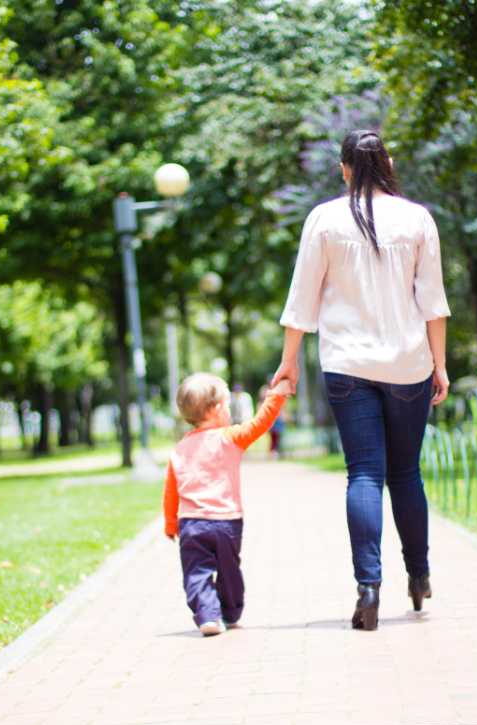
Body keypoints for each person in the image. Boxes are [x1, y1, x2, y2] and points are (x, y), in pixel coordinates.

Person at [272, 129, 451, 631]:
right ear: (387, 163)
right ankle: (419, 575)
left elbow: (301, 299)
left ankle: (368, 588)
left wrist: (289, 362)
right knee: (405, 474)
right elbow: (433, 303)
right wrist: (439, 364)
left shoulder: (323, 219)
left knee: (365, 475)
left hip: (347, 365)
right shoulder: (417, 218)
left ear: (345, 169)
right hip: (408, 364)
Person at [163, 372, 292, 636]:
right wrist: (277, 395)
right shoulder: (230, 437)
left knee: (196, 572)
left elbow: (171, 491)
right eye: (227, 404)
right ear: (217, 408)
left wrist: (170, 523)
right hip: (226, 523)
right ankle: (230, 612)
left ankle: (207, 615)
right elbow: (261, 423)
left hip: (191, 524)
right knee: (229, 569)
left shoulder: (179, 448)